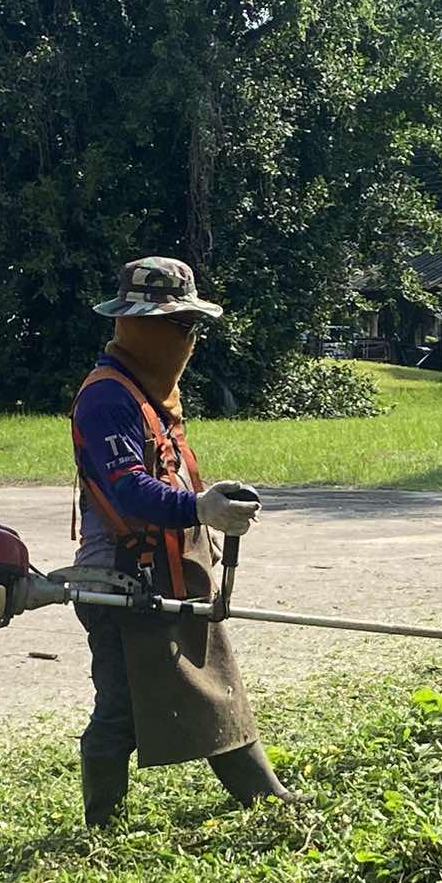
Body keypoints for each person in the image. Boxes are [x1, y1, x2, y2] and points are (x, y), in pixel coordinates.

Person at [68, 256, 292, 827]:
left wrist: (209, 510)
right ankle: (103, 827)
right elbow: (127, 491)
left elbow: (166, 474)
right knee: (119, 709)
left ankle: (268, 802)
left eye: (192, 328)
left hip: (171, 573)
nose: (189, 341)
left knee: (217, 683)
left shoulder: (154, 395)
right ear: (141, 327)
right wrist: (199, 507)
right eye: (180, 328)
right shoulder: (107, 397)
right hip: (121, 581)